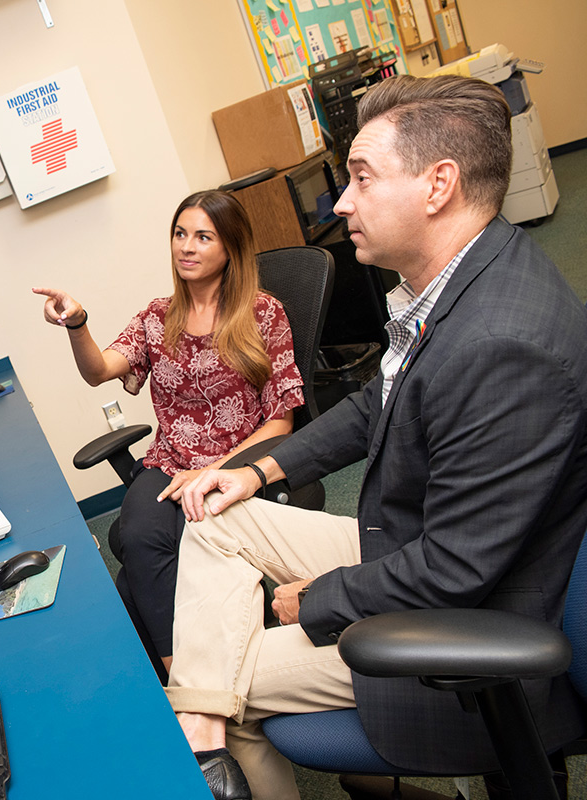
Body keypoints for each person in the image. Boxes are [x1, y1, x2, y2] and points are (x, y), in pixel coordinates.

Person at [166, 75, 587, 800]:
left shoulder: (501, 344)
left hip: (468, 617)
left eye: (361, 178)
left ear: (438, 185)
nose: (342, 202)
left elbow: (456, 570)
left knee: (219, 686)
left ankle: (207, 727)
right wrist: (257, 470)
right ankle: (203, 719)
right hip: (415, 537)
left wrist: (325, 597)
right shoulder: (457, 282)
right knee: (213, 520)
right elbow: (376, 404)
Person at [33, 190, 304, 681]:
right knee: (138, 536)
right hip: (169, 463)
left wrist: (211, 471)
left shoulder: (263, 314)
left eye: (203, 236)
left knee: (158, 566)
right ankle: (183, 680)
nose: (187, 246)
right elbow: (100, 371)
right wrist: (77, 323)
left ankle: (200, 679)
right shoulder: (158, 317)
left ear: (230, 248)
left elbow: (282, 419)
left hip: (237, 467)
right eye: (180, 234)